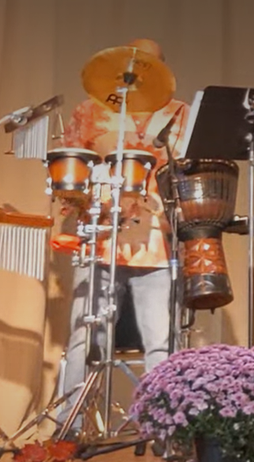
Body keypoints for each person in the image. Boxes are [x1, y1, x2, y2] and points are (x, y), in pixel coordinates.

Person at [56, 38, 189, 434]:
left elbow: (185, 171)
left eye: (149, 64)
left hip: (154, 238)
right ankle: (69, 425)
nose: (138, 70)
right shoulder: (90, 110)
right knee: (83, 336)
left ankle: (165, 426)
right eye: (133, 63)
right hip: (100, 235)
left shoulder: (178, 113)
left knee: (160, 340)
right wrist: (79, 202)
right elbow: (68, 169)